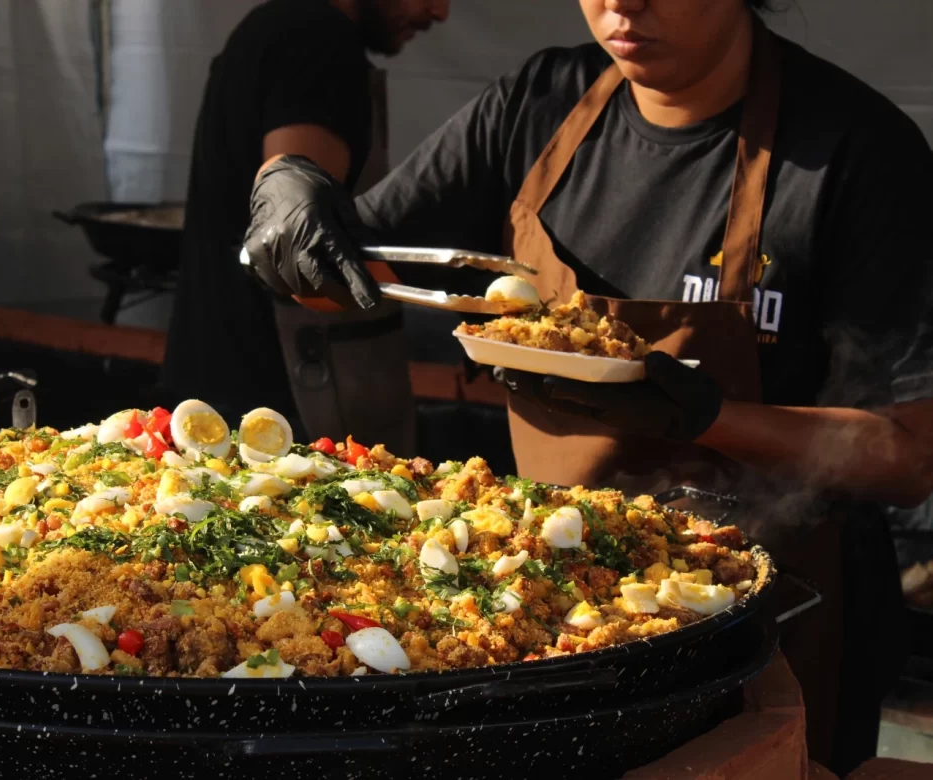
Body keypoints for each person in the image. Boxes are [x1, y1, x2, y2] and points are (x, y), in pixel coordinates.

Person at [242, 0, 933, 773]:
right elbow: (339, 278)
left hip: (777, 618)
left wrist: (702, 415)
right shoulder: (540, 105)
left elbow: (909, 457)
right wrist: (289, 190)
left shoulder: (855, 151)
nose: (621, 2)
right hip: (560, 616)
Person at [159, 0, 448, 448]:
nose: (439, 11)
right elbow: (297, 239)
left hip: (219, 373)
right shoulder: (318, 40)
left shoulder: (273, 26)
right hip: (279, 405)